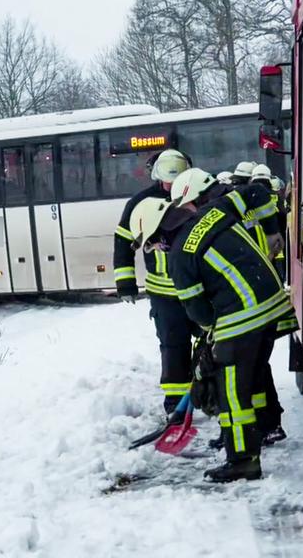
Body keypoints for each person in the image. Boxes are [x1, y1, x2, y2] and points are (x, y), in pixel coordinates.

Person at [152, 168, 292, 482]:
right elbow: (260, 193)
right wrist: (273, 230)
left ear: (161, 235)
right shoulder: (216, 211)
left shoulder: (178, 257)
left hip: (243, 317)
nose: (158, 250)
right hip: (272, 305)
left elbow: (198, 310)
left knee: (232, 396)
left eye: (154, 244)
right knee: (254, 375)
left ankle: (243, 460)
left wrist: (209, 330)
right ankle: (266, 427)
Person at [112, 149, 196, 414]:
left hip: (200, 287)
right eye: (168, 181)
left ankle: (214, 397)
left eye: (176, 180)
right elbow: (123, 241)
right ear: (158, 176)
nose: (171, 186)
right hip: (164, 292)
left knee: (215, 346)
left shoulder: (197, 194)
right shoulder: (141, 202)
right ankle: (175, 405)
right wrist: (125, 283)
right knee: (173, 347)